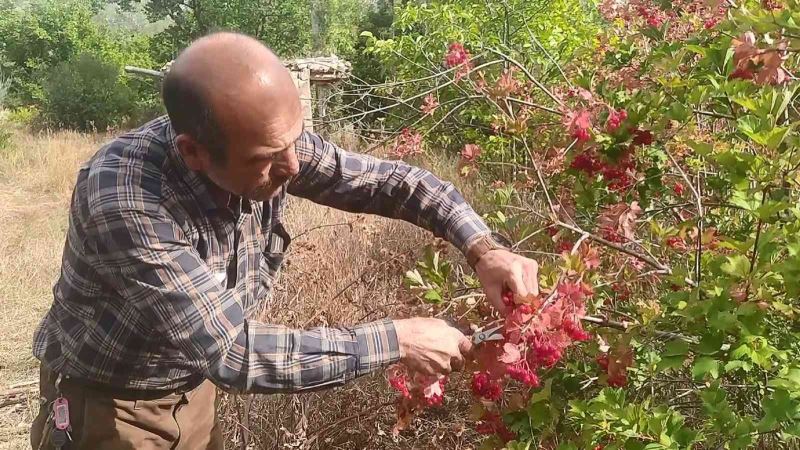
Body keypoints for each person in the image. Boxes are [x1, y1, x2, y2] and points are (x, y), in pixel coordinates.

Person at [29, 32, 540, 449]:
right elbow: (233, 352)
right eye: (267, 158)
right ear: (193, 152)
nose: (293, 166)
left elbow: (393, 183)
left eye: (294, 140)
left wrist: (485, 249)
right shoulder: (125, 196)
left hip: (193, 389)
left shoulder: (268, 143)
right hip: (108, 409)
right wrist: (398, 338)